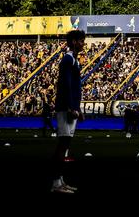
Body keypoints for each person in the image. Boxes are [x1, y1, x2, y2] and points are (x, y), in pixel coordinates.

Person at [51, 29, 86, 194]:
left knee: (65, 145)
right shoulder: (68, 59)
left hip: (71, 107)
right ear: (73, 41)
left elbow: (75, 87)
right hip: (66, 107)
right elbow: (66, 85)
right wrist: (71, 107)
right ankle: (56, 183)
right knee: (63, 144)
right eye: (81, 40)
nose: (83, 43)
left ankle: (60, 181)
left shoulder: (74, 60)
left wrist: (78, 108)